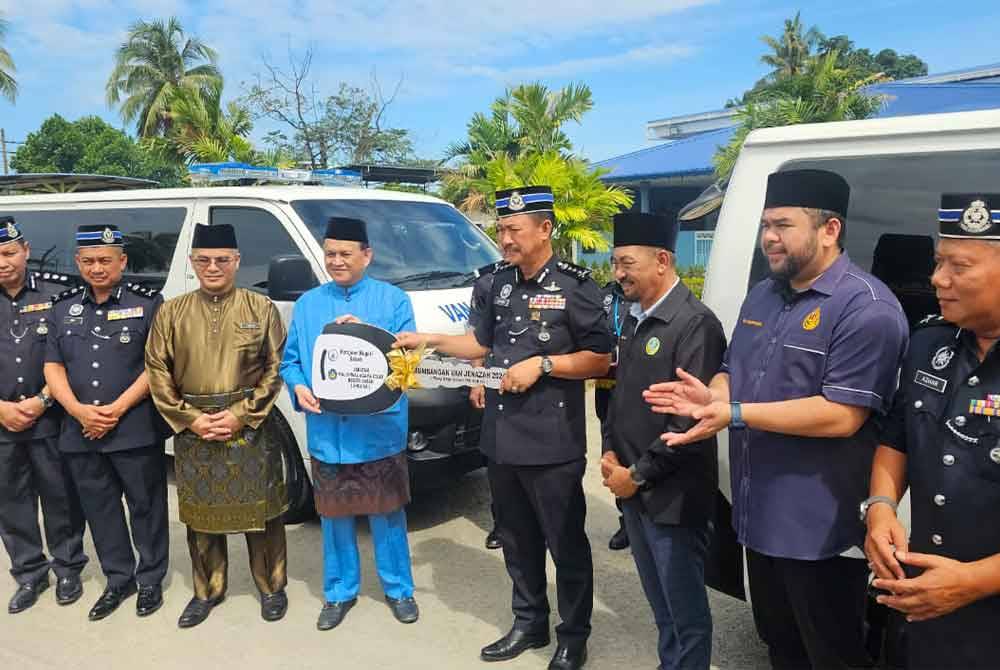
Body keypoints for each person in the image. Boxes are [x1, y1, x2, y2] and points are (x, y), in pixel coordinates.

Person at [644, 169, 908, 670]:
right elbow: (731, 369)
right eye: (766, 225)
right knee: (779, 646)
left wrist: (733, 413)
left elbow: (842, 414)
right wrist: (712, 395)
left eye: (783, 225)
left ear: (829, 230)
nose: (769, 237)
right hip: (756, 515)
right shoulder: (765, 293)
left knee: (832, 654)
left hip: (819, 532)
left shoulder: (866, 308)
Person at [396, 186, 612, 670]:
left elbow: (600, 357)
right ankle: (529, 621)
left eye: (514, 229)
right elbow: (479, 343)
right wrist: (428, 339)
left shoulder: (577, 286)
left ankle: (573, 635)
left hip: (553, 441)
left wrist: (545, 365)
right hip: (501, 436)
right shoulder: (494, 283)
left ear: (545, 229)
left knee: (566, 543)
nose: (505, 237)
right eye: (501, 229)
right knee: (516, 539)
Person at [864, 193, 1000, 669]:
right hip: (922, 609)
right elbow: (897, 436)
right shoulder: (928, 342)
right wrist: (880, 509)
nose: (937, 279)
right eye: (938, 263)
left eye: (959, 266)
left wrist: (975, 582)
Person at [145, 223, 289, 628]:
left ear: (236, 262)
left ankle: (272, 587)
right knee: (201, 518)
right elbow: (157, 368)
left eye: (222, 260)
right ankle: (207, 591)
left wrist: (241, 414)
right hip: (195, 429)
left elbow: (276, 368)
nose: (213, 267)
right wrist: (190, 419)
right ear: (193, 262)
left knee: (263, 515)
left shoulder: (260, 308)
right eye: (205, 260)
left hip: (249, 425)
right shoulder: (172, 311)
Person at [279, 216, 419, 631]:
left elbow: (408, 364)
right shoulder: (308, 304)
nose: (336, 261)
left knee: (387, 514)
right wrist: (299, 387)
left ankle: (399, 589)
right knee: (334, 516)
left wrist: (369, 335)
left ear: (366, 256)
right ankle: (339, 591)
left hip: (378, 432)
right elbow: (292, 362)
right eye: (330, 254)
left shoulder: (393, 301)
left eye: (345, 253)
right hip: (329, 432)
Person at [600, 212, 725, 670]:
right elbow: (619, 395)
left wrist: (636, 475)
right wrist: (609, 450)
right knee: (662, 609)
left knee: (686, 612)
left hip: (673, 496)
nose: (618, 274)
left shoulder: (695, 325)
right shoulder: (635, 319)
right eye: (615, 263)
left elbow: (687, 424)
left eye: (626, 263)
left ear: (662, 261)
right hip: (633, 490)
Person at [44, 223, 169, 621]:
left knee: (146, 507)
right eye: (89, 261)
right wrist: (79, 411)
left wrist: (114, 410)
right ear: (78, 263)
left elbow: (157, 366)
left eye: (105, 260)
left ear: (122, 261)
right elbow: (53, 366)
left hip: (133, 427)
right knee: (101, 510)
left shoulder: (149, 303)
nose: (97, 268)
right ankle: (119, 580)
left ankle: (150, 580)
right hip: (81, 431)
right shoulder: (62, 307)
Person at [0, 217, 87, 614]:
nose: (2, 262)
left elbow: (76, 357)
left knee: (61, 497)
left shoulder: (59, 293)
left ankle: (68, 568)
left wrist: (43, 400)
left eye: (8, 253)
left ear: (26, 251)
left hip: (50, 418)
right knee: (11, 501)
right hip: (2, 421)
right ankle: (30, 573)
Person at [469, 260, 505, 551]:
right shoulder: (487, 281)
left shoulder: (562, 281)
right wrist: (477, 379)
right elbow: (477, 337)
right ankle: (502, 523)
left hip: (541, 387)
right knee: (498, 457)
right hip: (495, 381)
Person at [595, 278, 630, 552]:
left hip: (636, 386)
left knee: (635, 449)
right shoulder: (602, 295)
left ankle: (639, 519)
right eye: (615, 262)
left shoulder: (643, 296)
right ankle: (625, 521)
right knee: (611, 450)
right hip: (606, 387)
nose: (620, 271)